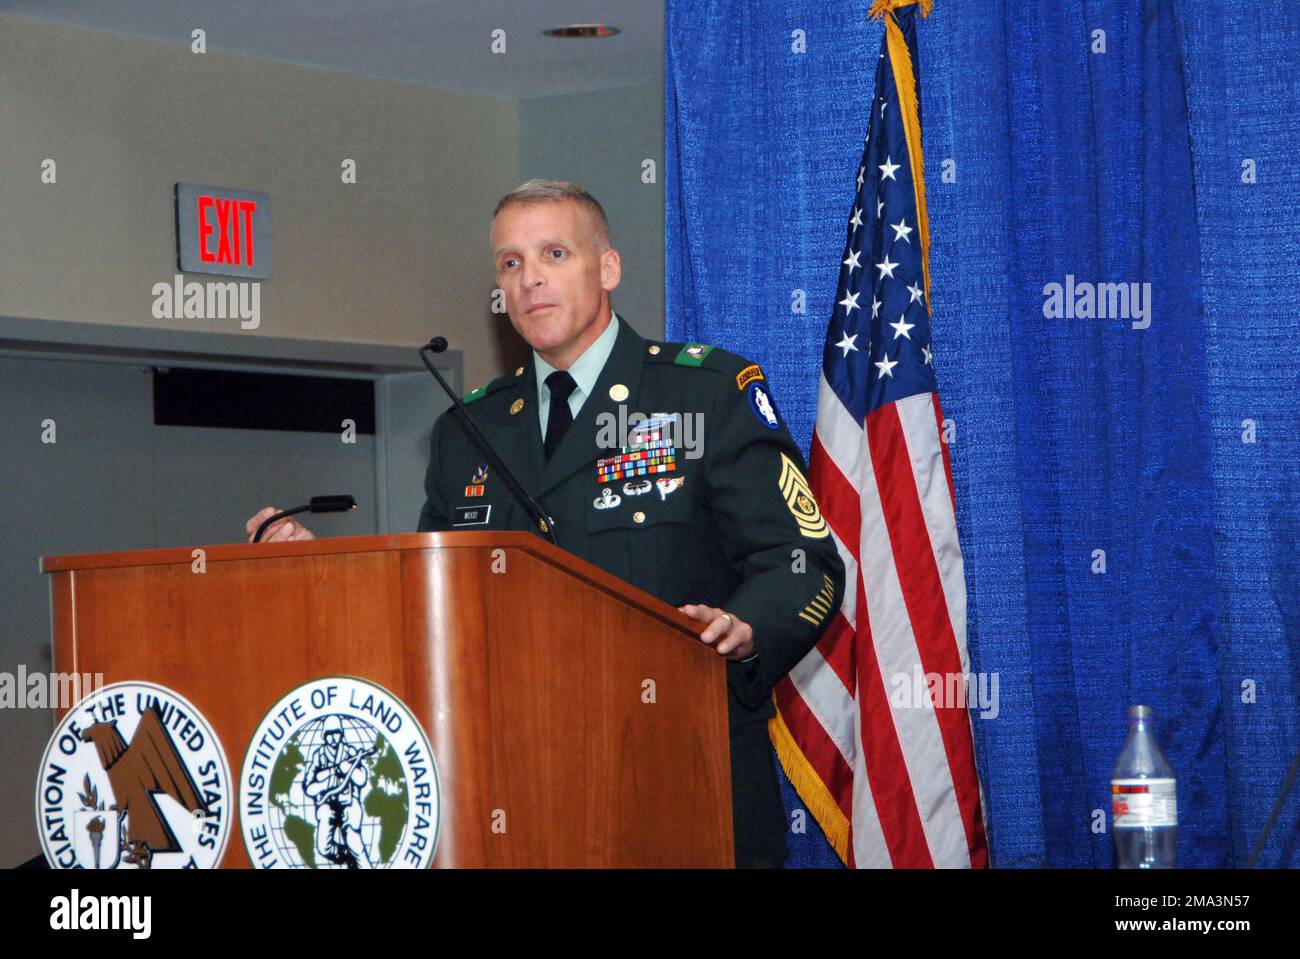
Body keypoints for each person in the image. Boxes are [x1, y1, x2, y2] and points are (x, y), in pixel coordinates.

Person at [247, 180, 845, 867]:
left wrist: (745, 631)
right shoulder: (469, 427)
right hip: (516, 796)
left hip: (681, 775)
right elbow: (425, 602)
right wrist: (317, 571)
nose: (529, 279)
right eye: (509, 263)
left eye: (553, 253)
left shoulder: (704, 395)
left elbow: (804, 561)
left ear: (608, 268)